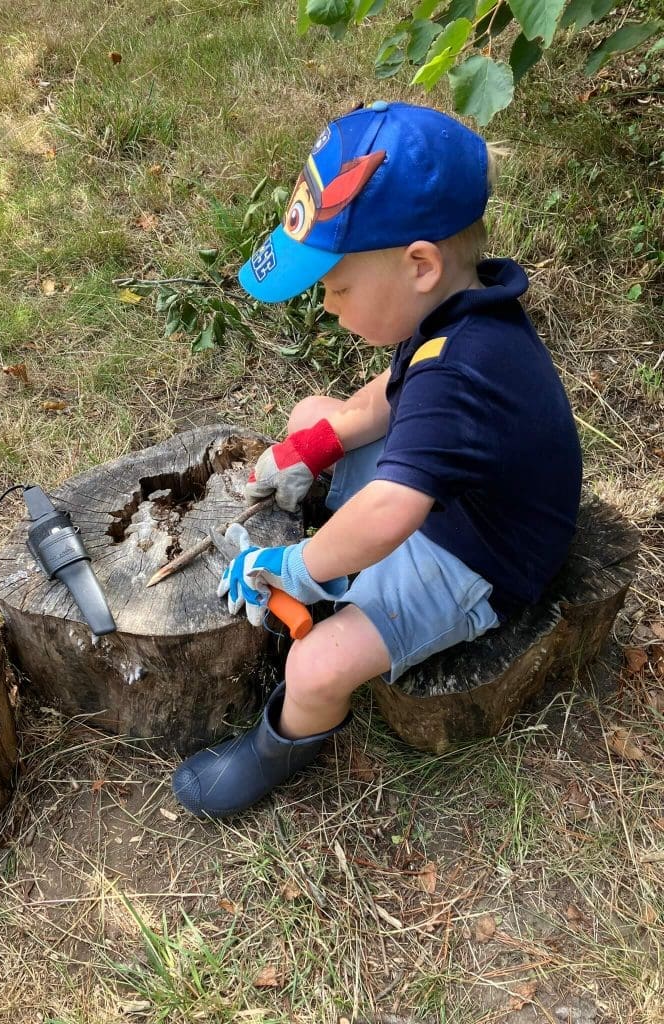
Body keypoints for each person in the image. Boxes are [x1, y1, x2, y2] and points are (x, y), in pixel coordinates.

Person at [172, 101, 583, 818]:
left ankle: (281, 744)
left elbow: (394, 510)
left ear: (419, 264)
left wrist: (297, 566)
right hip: (454, 489)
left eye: (337, 287)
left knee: (317, 663)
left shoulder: (461, 374)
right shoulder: (456, 310)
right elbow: (387, 399)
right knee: (311, 416)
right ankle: (340, 549)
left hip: (475, 553)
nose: (327, 305)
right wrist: (309, 448)